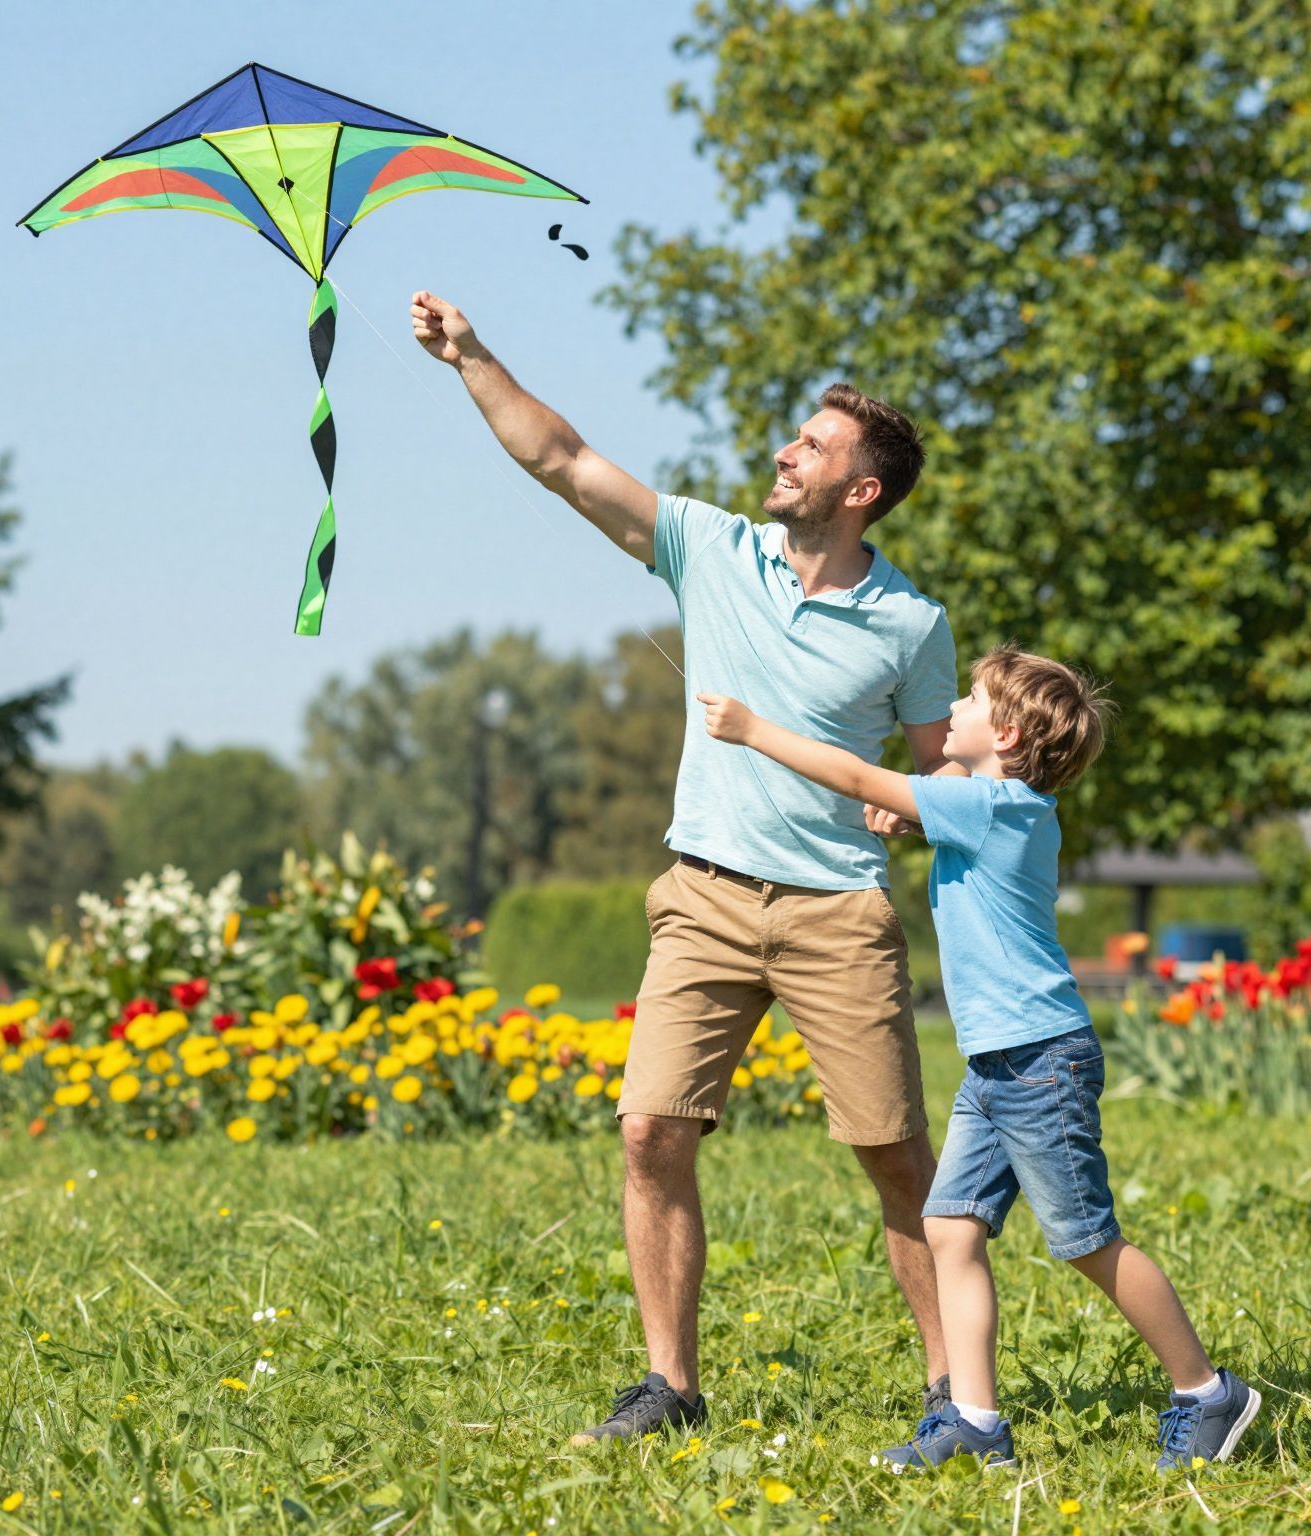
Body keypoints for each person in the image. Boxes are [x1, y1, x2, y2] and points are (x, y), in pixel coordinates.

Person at [410, 292, 961, 1446]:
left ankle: (954, 1394)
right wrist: (472, 356)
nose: (784, 453)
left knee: (893, 1156)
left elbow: (934, 771)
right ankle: (669, 1388)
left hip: (835, 914)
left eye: (811, 446)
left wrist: (906, 805)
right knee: (648, 1132)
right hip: (702, 896)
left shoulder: (910, 625)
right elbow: (562, 461)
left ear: (860, 490)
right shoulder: (712, 546)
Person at [697, 648, 1260, 1472]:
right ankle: (975, 1422)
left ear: (1005, 735)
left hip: (1039, 1063)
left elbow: (857, 778)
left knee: (1087, 1242)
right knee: (950, 1227)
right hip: (998, 1067)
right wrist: (917, 817)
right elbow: (939, 806)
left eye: (970, 698)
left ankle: (1208, 1393)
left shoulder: (990, 808)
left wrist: (753, 730)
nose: (953, 707)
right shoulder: (1002, 808)